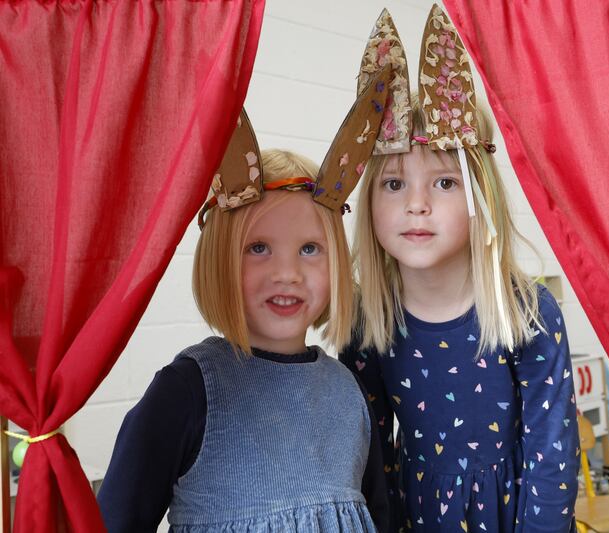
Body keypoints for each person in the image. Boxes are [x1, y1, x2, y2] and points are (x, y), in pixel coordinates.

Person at [99, 101, 391, 532]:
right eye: (259, 248)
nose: (287, 274)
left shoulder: (349, 393)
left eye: (309, 249)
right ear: (219, 259)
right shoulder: (186, 391)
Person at [340, 7, 579, 531]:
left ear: (480, 197)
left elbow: (553, 460)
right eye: (394, 183)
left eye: (444, 183)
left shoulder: (527, 313)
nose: (417, 205)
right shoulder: (367, 322)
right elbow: (370, 460)